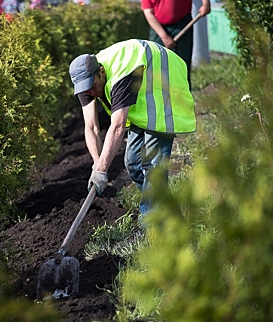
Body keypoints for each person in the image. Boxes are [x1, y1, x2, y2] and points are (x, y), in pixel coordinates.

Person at [69, 39, 196, 217]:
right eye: (84, 89)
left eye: (92, 86)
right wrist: (97, 164)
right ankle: (168, 211)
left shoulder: (120, 73)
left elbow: (118, 125)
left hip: (162, 79)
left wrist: (102, 170)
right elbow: (91, 127)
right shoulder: (87, 82)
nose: (89, 92)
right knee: (133, 162)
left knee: (152, 164)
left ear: (102, 72)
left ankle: (152, 222)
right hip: (141, 92)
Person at [141, 0, 211, 89]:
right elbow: (148, 13)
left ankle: (183, 100)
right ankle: (158, 99)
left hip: (182, 23)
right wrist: (164, 36)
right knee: (156, 67)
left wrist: (206, 4)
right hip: (158, 28)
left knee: (181, 67)